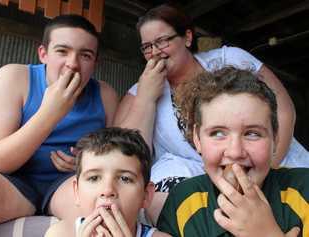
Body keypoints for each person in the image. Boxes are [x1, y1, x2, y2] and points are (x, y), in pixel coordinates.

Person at [114, 4, 309, 223]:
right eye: (147, 46)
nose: (155, 52)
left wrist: (268, 171)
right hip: (208, 180)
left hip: (273, 160)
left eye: (162, 41)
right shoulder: (139, 91)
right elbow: (125, 151)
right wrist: (146, 96)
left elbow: (284, 109)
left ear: (187, 37)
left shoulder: (229, 58)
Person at [0, 14, 118, 224]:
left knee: (103, 213)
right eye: (62, 51)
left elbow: (116, 156)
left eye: (85, 55)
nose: (73, 64)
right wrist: (50, 113)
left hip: (70, 184)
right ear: (43, 54)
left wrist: (88, 162)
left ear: (95, 62)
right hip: (13, 182)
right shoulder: (14, 77)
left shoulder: (105, 95)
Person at [157, 67, 309, 237]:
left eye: (252, 134)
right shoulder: (183, 201)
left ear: (275, 139)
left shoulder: (304, 190)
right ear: (197, 139)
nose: (235, 152)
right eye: (218, 133)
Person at [45, 127, 171, 237]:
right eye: (94, 178)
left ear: (146, 195)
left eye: (125, 179)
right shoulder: (61, 233)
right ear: (76, 191)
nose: (108, 190)